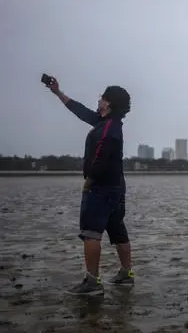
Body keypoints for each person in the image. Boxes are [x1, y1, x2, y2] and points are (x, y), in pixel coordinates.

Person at [43, 75, 135, 295]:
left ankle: (92, 283)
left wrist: (89, 183)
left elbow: (100, 159)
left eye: (102, 97)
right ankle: (126, 274)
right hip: (116, 187)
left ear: (109, 103)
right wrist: (58, 92)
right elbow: (80, 111)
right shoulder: (106, 123)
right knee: (117, 230)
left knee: (91, 233)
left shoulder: (108, 128)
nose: (99, 100)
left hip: (101, 188)